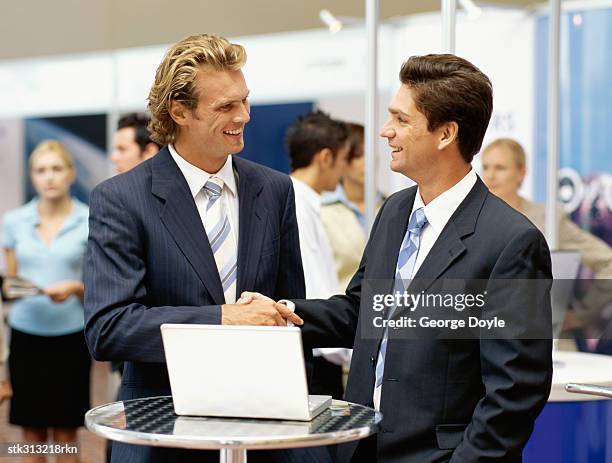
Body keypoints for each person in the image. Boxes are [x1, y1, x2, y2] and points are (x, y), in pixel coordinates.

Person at [242, 54, 553, 462]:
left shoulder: (513, 243)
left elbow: (515, 392)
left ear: (446, 134)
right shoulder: (394, 211)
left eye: (401, 120)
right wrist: (284, 312)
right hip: (359, 447)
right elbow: (362, 310)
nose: (386, 132)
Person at [84, 34, 309, 463]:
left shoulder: (275, 190)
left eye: (245, 101)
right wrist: (225, 319)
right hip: (162, 425)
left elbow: (289, 305)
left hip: (266, 425)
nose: (243, 116)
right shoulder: (122, 198)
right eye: (225, 106)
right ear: (179, 111)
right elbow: (108, 328)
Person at [2, 140, 90, 463]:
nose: (49, 177)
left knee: (67, 435)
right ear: (32, 177)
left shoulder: (90, 219)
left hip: (70, 337)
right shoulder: (13, 221)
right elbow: (10, 284)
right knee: (31, 435)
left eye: (56, 168)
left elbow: (100, 284)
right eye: (41, 170)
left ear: (71, 173)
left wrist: (75, 287)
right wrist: (17, 288)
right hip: (26, 337)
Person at [481, 138, 612, 331]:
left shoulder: (548, 220)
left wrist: (582, 316)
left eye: (500, 168)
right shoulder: (471, 220)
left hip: (542, 341)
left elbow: (608, 262)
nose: (490, 176)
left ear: (521, 173)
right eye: (485, 167)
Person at [286, 110, 350, 399]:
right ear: (325, 157)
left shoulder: (301, 201)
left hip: (317, 351)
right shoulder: (297, 205)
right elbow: (313, 289)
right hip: (315, 359)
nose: (344, 170)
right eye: (344, 159)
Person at [321, 122, 384, 290]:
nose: (367, 161)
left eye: (370, 153)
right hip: (341, 309)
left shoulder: (395, 206)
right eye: (358, 155)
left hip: (385, 309)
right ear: (343, 160)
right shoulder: (323, 211)